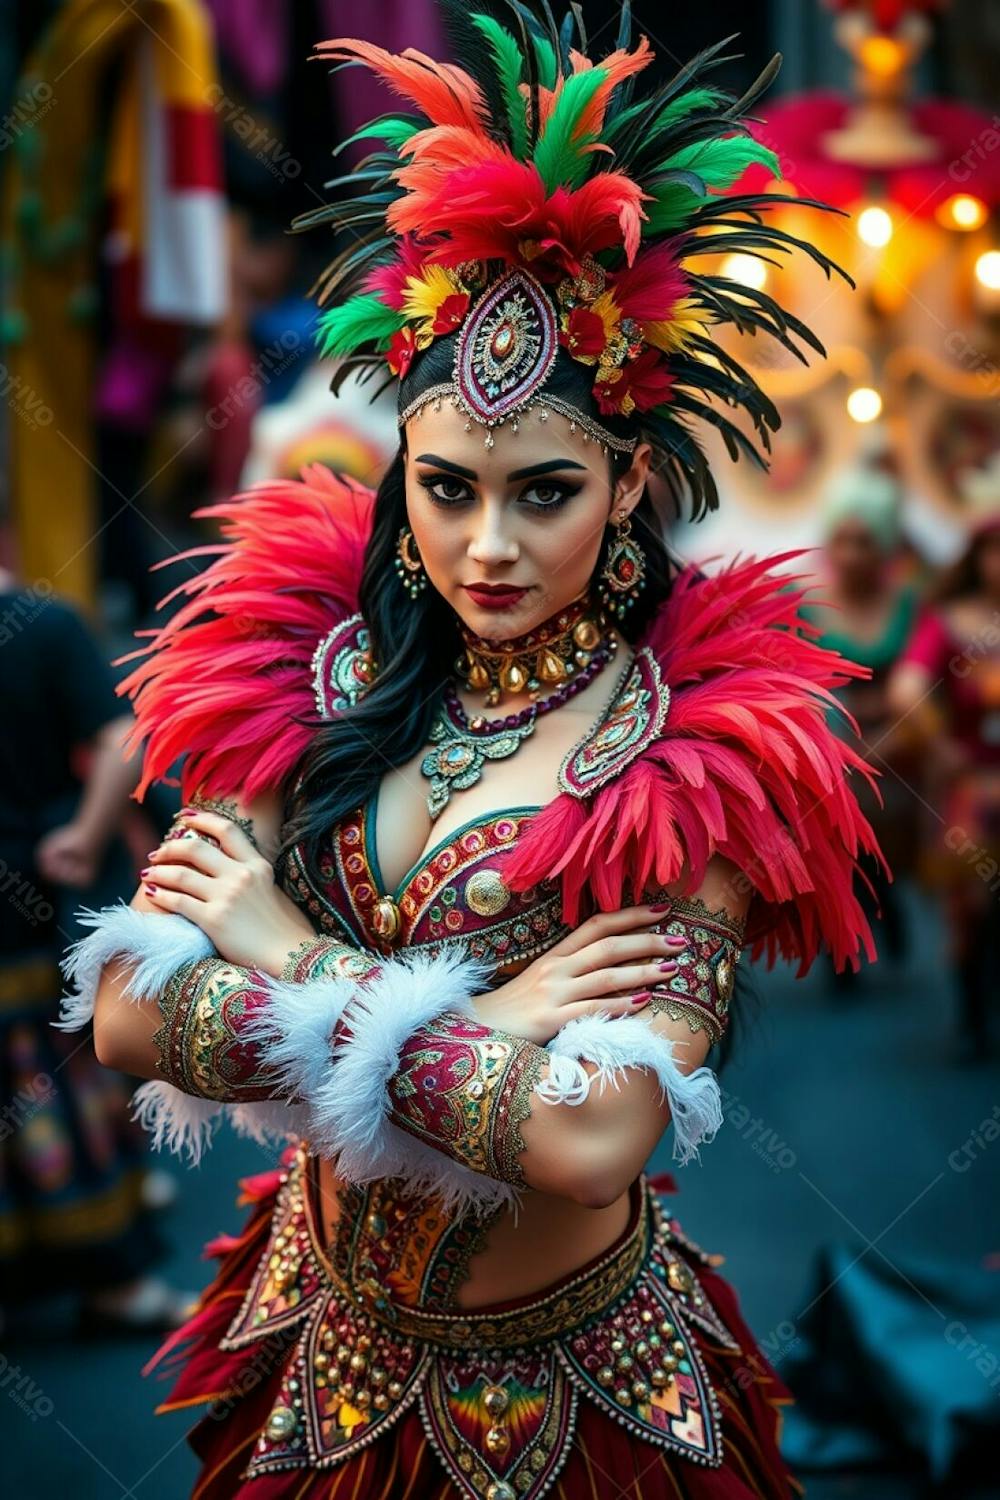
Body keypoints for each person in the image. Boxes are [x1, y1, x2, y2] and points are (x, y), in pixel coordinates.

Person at [58, 7, 881, 1495]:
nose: (487, 545)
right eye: (446, 488)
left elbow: (593, 1140)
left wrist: (294, 958)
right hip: (327, 1358)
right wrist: (503, 1026)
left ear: (629, 482)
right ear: (401, 476)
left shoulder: (703, 751)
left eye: (545, 492)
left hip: (595, 1395)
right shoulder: (293, 673)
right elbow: (127, 1014)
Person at [0, 566, 189, 1332]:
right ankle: (112, 1279)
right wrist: (86, 834)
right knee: (57, 1075)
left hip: (23, 898)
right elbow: (122, 737)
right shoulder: (44, 623)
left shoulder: (42, 625)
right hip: (28, 888)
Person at [890, 466, 1000, 1063]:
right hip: (973, 788)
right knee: (970, 906)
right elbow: (908, 690)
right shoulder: (948, 622)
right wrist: (938, 750)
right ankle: (971, 1010)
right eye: (995, 548)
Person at [800, 463, 919, 986]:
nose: (850, 554)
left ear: (887, 545)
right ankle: (841, 944)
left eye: (865, 541)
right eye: (841, 540)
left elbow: (927, 683)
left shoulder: (911, 606)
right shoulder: (805, 606)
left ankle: (886, 901)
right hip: (831, 752)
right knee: (835, 842)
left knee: (882, 842)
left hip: (900, 753)